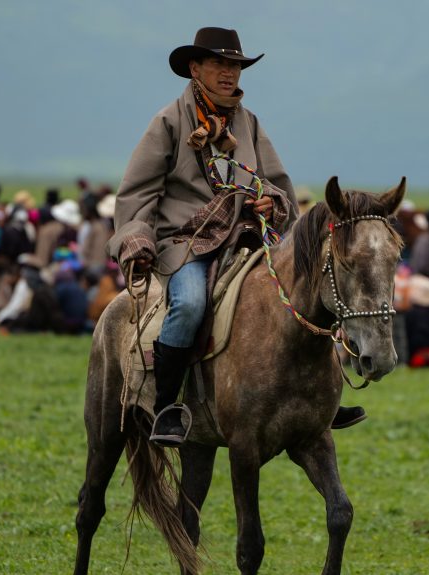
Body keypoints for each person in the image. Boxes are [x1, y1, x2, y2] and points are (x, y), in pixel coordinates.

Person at [107, 27, 361, 446]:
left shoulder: (250, 123)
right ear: (195, 68)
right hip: (185, 244)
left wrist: (270, 205)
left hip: (246, 242)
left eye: (235, 66)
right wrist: (137, 239)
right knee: (188, 305)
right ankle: (167, 407)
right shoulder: (169, 120)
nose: (229, 73)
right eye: (219, 64)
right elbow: (137, 192)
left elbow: (276, 184)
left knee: (308, 292)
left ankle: (324, 399)